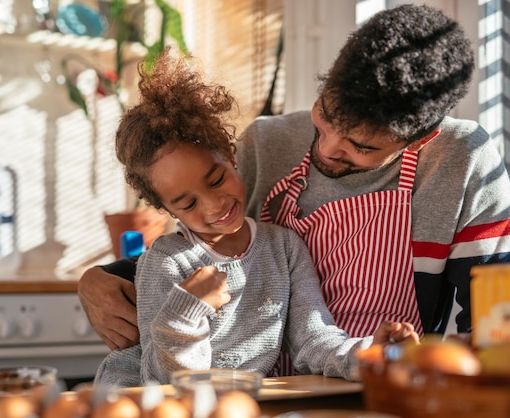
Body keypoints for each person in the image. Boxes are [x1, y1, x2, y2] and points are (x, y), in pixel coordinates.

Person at [78, 4, 510, 355]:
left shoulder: (463, 159)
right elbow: (196, 252)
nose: (327, 148)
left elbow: (495, 324)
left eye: (360, 147)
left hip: (381, 385)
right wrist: (97, 278)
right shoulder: (266, 144)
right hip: (265, 392)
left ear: (420, 139)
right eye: (324, 116)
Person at [92, 47, 418, 387]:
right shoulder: (166, 262)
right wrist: (185, 311)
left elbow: (314, 341)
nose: (213, 205)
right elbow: (164, 382)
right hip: (134, 397)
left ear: (231, 155)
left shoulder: (284, 248)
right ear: (166, 209)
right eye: (188, 204)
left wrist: (367, 356)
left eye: (217, 180)